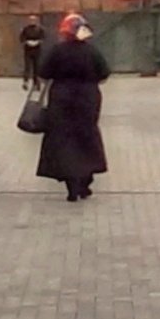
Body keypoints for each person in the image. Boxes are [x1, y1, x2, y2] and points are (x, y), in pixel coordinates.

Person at [34, 11, 108, 201]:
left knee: (64, 139)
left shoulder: (57, 51)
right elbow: (104, 73)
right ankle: (85, 180)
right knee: (86, 136)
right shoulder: (92, 51)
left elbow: (44, 72)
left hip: (61, 98)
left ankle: (71, 186)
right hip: (87, 98)